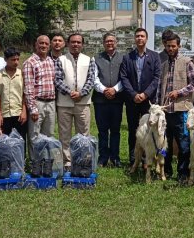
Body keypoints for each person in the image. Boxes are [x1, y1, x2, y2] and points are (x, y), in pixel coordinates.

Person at [120, 28, 162, 164]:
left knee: (149, 129)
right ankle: (134, 159)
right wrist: (133, 94)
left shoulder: (155, 56)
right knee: (133, 129)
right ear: (134, 39)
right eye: (137, 36)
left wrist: (145, 94)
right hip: (132, 100)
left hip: (148, 101)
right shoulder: (127, 57)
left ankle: (147, 158)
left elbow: (156, 78)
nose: (139, 38)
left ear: (146, 39)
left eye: (142, 36)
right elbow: (124, 77)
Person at [158, 32, 194, 182]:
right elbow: (160, 88)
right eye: (168, 46)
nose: (171, 48)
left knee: (183, 144)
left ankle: (182, 173)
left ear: (179, 46)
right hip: (166, 111)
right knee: (165, 142)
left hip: (181, 110)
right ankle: (166, 171)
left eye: (173, 46)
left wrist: (179, 92)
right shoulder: (164, 65)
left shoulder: (187, 62)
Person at [54, 33, 96, 170]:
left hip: (83, 103)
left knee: (83, 134)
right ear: (68, 43)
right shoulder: (60, 59)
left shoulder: (89, 59)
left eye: (78, 42)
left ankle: (82, 160)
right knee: (64, 134)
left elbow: (91, 79)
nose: (75, 44)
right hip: (64, 103)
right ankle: (67, 162)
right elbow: (58, 79)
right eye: (73, 42)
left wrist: (81, 93)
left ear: (82, 44)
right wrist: (70, 92)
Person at [23, 35, 57, 163]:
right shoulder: (30, 62)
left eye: (46, 44)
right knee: (35, 136)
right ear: (36, 45)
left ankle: (46, 162)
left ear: (49, 46)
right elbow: (29, 87)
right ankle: (35, 163)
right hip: (38, 103)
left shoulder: (50, 60)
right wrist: (32, 108)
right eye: (41, 43)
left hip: (51, 102)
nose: (43, 46)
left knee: (49, 135)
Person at [93, 33, 125, 167]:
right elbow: (94, 78)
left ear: (116, 42)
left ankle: (115, 157)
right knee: (102, 130)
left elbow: (125, 77)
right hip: (100, 100)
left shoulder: (123, 58)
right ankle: (103, 158)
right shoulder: (95, 58)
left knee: (116, 130)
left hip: (117, 100)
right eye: (107, 41)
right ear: (103, 43)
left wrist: (115, 90)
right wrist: (105, 90)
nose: (109, 43)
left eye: (112, 41)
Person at [0, 47, 27, 164]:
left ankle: (20, 164)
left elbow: (25, 94)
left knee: (20, 140)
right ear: (6, 60)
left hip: (18, 113)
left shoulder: (22, 75)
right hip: (4, 113)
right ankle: (5, 164)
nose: (16, 62)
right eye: (13, 60)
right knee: (4, 140)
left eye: (17, 59)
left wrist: (24, 111)